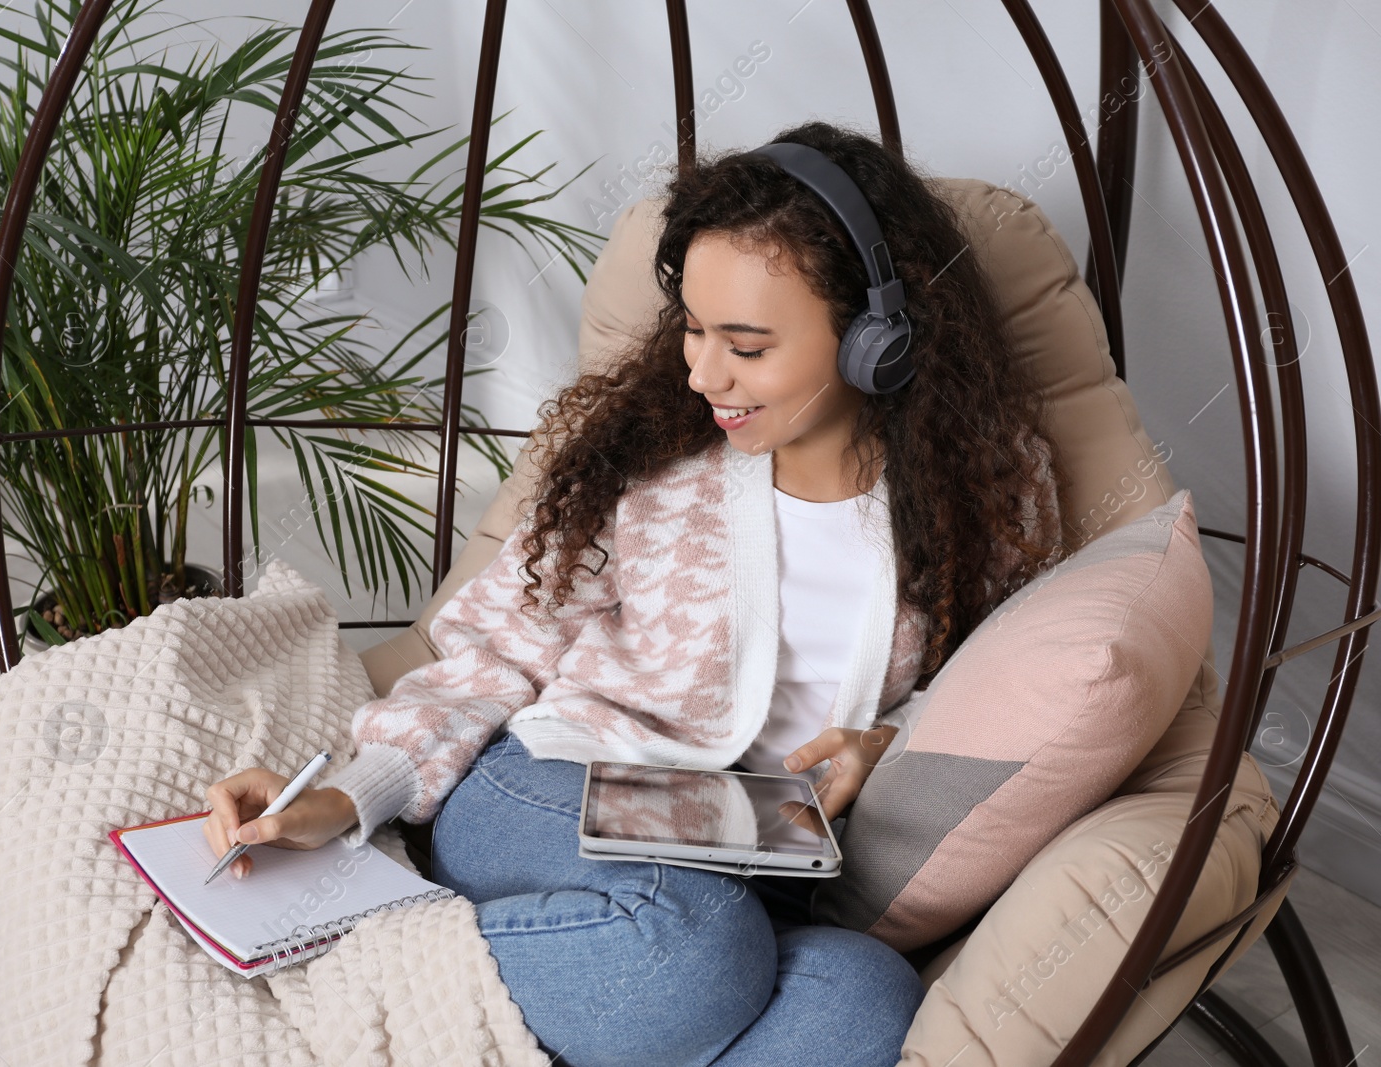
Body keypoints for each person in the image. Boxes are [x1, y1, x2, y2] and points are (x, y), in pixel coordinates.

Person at [201, 119, 1066, 1067]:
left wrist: (890, 739)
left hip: (761, 855)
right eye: (692, 329)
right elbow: (496, 653)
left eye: (745, 343)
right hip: (546, 790)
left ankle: (597, 1013)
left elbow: (1009, 673)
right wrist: (350, 796)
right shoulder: (654, 465)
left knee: (864, 1003)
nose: (701, 373)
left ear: (876, 340)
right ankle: (377, 961)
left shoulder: (987, 487)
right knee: (692, 946)